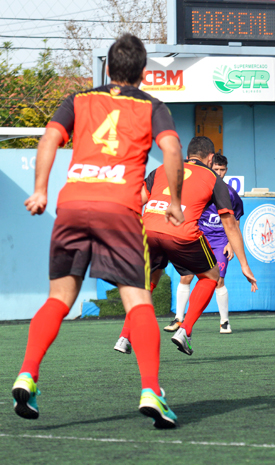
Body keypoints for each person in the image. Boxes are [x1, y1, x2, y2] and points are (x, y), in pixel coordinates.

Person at [11, 34, 185, 429]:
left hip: (72, 204)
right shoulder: (153, 106)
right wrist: (174, 201)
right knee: (138, 300)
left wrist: (40, 190)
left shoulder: (78, 99)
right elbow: (172, 149)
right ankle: (151, 390)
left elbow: (51, 137)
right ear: (143, 74)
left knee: (59, 298)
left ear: (108, 69)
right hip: (119, 208)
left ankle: (27, 374)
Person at [114, 137, 256, 357]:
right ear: (210, 158)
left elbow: (136, 200)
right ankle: (185, 331)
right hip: (181, 233)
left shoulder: (162, 168)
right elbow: (230, 224)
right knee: (211, 275)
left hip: (148, 230)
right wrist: (245, 265)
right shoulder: (213, 178)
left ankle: (125, 336)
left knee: (149, 281)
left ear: (189, 155)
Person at [164, 153, 241, 334]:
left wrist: (231, 243)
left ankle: (224, 322)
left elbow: (235, 222)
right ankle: (178, 318)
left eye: (222, 170)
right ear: (209, 168)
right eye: (216, 169)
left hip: (220, 241)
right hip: (199, 239)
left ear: (226, 171)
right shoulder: (200, 189)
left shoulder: (230, 193)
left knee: (218, 280)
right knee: (186, 277)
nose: (219, 173)